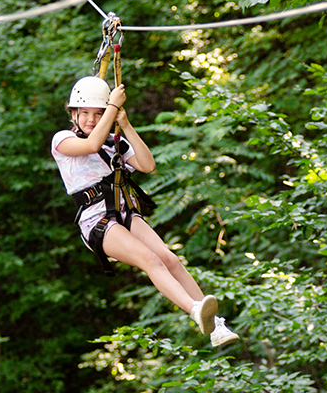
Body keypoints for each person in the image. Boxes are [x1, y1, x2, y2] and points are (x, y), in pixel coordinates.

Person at [51, 76, 239, 347]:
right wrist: (112, 108)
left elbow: (147, 165)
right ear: (74, 114)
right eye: (85, 114)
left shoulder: (114, 143)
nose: (91, 120)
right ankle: (194, 308)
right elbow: (90, 145)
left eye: (98, 113)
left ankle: (216, 327)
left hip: (124, 212)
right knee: (150, 259)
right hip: (96, 221)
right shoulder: (63, 140)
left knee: (170, 259)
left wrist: (125, 124)